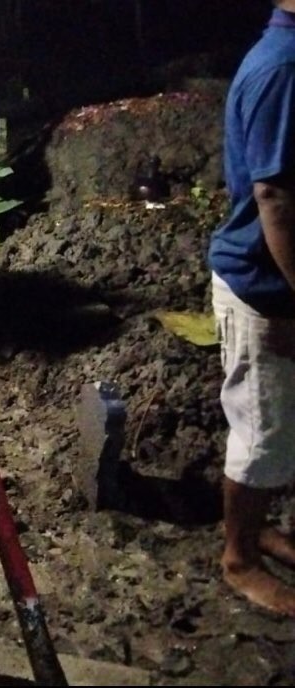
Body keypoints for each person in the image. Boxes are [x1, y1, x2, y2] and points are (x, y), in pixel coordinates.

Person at [207, 0, 295, 618]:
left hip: (279, 283)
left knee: (282, 425)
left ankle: (261, 529)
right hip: (266, 288)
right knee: (261, 429)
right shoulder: (282, 68)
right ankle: (239, 556)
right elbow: (276, 197)